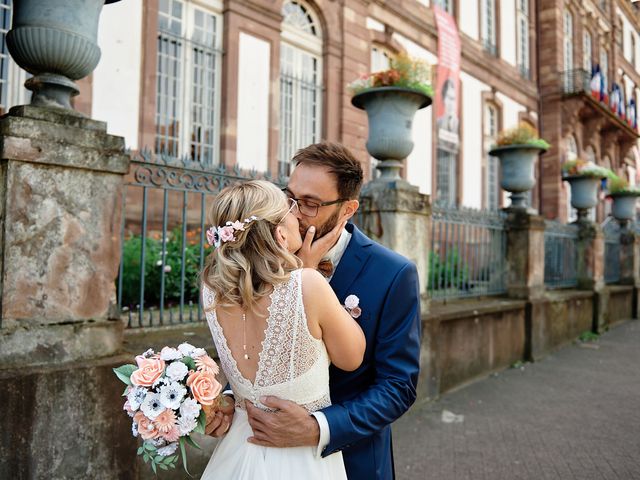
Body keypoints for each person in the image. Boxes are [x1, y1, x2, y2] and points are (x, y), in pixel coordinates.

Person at [208, 142, 422, 480]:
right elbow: (255, 347)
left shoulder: (393, 273)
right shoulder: (256, 267)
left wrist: (317, 428)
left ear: (348, 209)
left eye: (310, 204)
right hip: (259, 448)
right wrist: (233, 396)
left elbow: (398, 386)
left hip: (353, 459)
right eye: (289, 196)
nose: (293, 211)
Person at [199, 179, 365, 480]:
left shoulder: (211, 291)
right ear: (279, 234)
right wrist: (308, 274)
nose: (298, 215)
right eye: (290, 207)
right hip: (300, 459)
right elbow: (351, 357)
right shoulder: (309, 284)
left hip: (237, 448)